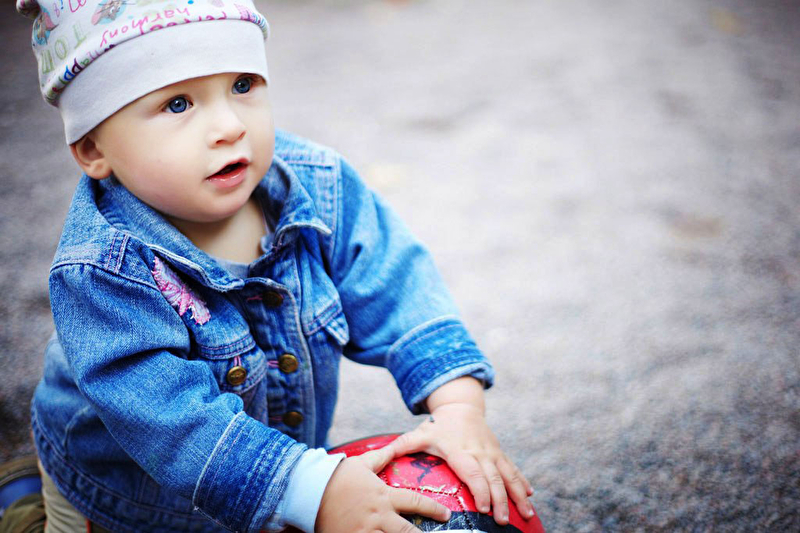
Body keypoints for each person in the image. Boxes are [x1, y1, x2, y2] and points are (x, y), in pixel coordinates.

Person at [6, 0, 536, 531]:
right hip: (127, 497)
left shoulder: (318, 184)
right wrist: (311, 489)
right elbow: (175, 425)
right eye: (177, 104)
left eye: (242, 85)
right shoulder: (101, 272)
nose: (229, 125)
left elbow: (397, 289)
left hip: (275, 479)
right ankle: (22, 504)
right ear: (94, 149)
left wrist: (458, 408)